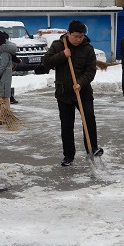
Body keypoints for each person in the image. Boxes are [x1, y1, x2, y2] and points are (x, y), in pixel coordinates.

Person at [44, 19, 103, 167]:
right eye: (76, 36)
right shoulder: (58, 46)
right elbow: (46, 62)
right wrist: (63, 55)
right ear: (68, 34)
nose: (78, 39)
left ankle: (92, 149)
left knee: (89, 119)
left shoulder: (88, 49)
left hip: (83, 92)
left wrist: (80, 83)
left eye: (81, 36)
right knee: (66, 125)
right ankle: (68, 155)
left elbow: (91, 70)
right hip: (64, 93)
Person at [0, 30, 17, 124]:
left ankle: (4, 117)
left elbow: (2, 66)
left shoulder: (5, 51)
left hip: (3, 78)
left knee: (4, 97)